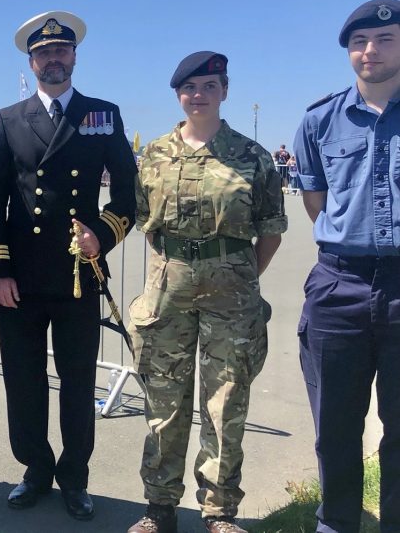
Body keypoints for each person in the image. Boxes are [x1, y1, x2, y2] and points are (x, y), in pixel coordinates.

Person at [0, 10, 137, 521]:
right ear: (31, 61)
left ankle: (74, 476)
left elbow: (130, 195)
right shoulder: (7, 118)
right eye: (43, 52)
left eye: (61, 50)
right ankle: (34, 469)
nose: (53, 58)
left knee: (76, 380)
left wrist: (103, 235)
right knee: (22, 380)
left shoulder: (103, 115)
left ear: (74, 56)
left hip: (77, 275)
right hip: (21, 278)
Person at [126, 52, 286, 533]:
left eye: (209, 86)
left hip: (232, 294)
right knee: (164, 402)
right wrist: (172, 271)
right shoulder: (154, 154)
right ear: (178, 94)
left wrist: (237, 275)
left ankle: (218, 511)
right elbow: (145, 224)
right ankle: (159, 508)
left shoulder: (253, 156)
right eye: (190, 87)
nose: (199, 95)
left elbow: (271, 230)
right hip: (168, 292)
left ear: (224, 92)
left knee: (225, 403)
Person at [292, 0, 400, 533]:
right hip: (340, 286)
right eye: (359, 42)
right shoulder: (319, 120)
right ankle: (336, 522)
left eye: (384, 40)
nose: (370, 51)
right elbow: (317, 202)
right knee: (334, 425)